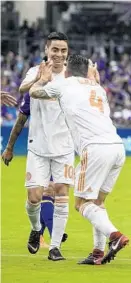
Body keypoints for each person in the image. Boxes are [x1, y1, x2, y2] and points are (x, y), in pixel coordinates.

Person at [29, 54, 128, 265]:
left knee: (81, 203)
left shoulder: (63, 84)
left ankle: (115, 236)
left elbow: (34, 93)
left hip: (94, 149)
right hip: (117, 147)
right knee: (97, 202)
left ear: (67, 70)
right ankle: (97, 252)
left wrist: (42, 79)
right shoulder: (98, 88)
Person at [1, 32, 74, 261]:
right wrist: (42, 80)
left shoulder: (72, 76)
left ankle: (54, 247)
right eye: (55, 50)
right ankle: (35, 229)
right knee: (34, 198)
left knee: (61, 194)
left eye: (63, 50)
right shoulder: (36, 71)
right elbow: (23, 89)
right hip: (38, 147)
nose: (59, 54)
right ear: (46, 50)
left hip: (64, 146)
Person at [1, 91, 68, 249]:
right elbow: (20, 120)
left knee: (51, 192)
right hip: (38, 151)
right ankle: (38, 230)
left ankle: (53, 239)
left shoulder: (67, 89)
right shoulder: (33, 93)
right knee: (36, 196)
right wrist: (9, 147)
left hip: (61, 151)